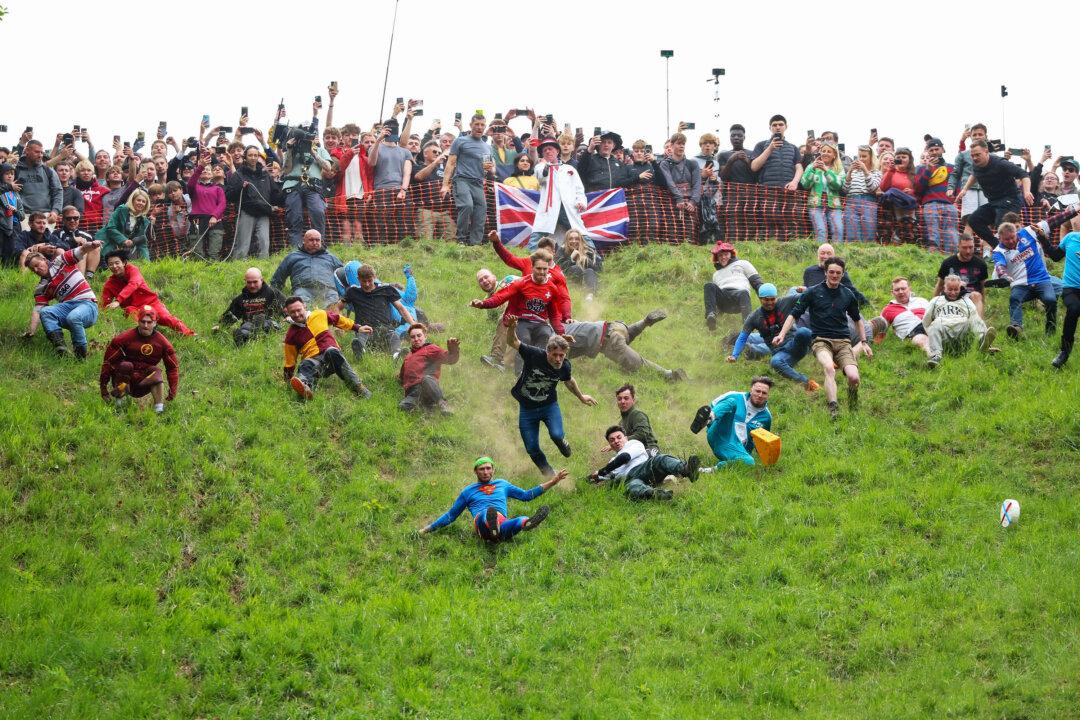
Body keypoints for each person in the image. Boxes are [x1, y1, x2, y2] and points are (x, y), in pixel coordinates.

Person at [774, 256, 870, 420]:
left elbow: (857, 320)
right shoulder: (812, 292)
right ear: (825, 272)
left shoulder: (848, 295)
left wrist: (864, 342)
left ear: (842, 274)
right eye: (831, 272)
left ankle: (853, 404)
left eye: (838, 273)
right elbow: (793, 315)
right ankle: (833, 408)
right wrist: (782, 334)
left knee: (854, 377)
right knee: (829, 368)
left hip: (843, 342)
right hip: (820, 340)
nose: (834, 275)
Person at [505, 317, 597, 476]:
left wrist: (581, 397)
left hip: (549, 407)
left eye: (562, 355)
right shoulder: (533, 354)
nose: (558, 359)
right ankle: (549, 473)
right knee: (531, 448)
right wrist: (512, 327)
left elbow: (568, 381)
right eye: (555, 355)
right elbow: (513, 342)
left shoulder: (565, 366)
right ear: (547, 351)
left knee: (556, 435)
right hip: (527, 409)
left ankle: (562, 442)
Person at [418, 457, 561, 542]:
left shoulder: (502, 484)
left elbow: (525, 495)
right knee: (486, 514)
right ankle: (492, 526)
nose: (485, 472)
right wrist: (427, 529)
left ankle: (527, 523)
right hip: (481, 526)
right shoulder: (468, 491)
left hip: (502, 525)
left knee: (520, 519)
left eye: (488, 468)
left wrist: (552, 482)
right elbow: (451, 515)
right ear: (475, 471)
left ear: (493, 470)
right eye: (481, 469)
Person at [728, 283, 819, 391]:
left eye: (772, 299)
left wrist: (805, 289)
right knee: (775, 362)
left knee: (804, 332)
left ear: (776, 297)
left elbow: (810, 294)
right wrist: (735, 355)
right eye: (766, 300)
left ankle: (820, 354)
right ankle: (807, 383)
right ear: (760, 298)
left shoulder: (785, 301)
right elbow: (743, 337)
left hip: (795, 344)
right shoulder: (754, 317)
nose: (770, 303)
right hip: (780, 352)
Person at [471, 248, 566, 350]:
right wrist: (482, 304)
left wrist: (562, 334)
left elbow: (554, 315)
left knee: (545, 337)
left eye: (545, 269)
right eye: (538, 269)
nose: (542, 272)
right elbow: (499, 297)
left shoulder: (552, 288)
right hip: (522, 320)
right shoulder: (521, 283)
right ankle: (517, 364)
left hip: (540, 323)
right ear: (532, 267)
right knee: (524, 339)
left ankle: (537, 365)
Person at [282, 295, 372, 400]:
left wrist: (357, 327)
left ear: (304, 306)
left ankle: (358, 388)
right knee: (306, 364)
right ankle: (305, 389)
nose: (297, 314)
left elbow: (338, 320)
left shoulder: (319, 314)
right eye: (292, 312)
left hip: (332, 356)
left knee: (331, 351)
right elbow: (290, 361)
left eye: (299, 310)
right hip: (315, 363)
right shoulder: (291, 335)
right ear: (287, 312)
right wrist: (287, 381)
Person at [22, 241, 102, 358]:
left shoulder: (61, 261)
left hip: (87, 305)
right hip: (68, 308)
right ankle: (61, 348)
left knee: (73, 317)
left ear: (44, 259)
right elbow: (38, 310)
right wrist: (31, 331)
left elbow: (81, 250)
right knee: (46, 312)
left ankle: (80, 356)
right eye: (33, 269)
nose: (36, 269)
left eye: (37, 264)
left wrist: (92, 245)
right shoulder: (42, 287)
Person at [562, 310, 685, 381]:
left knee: (640, 364)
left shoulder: (552, 339)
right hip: (614, 326)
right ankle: (643, 323)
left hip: (609, 341)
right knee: (622, 338)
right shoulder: (561, 324)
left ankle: (670, 376)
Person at [99, 305, 180, 414]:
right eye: (143, 322)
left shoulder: (163, 344)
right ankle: (119, 405)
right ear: (138, 321)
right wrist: (103, 389)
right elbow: (108, 363)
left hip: (144, 382)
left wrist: (172, 391)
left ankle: (159, 410)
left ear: (155, 323)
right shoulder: (124, 338)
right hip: (125, 381)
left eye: (149, 322)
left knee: (156, 371)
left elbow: (172, 368)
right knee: (126, 366)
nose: (146, 326)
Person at [587, 426, 700, 501]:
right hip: (628, 480)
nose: (616, 441)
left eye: (619, 437)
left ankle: (686, 469)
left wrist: (602, 471)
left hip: (645, 468)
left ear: (625, 438)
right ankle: (656, 494)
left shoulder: (633, 444)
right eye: (612, 440)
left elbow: (624, 457)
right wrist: (590, 478)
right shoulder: (612, 461)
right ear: (609, 444)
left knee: (661, 459)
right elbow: (603, 478)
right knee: (632, 488)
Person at [958, 140, 1032, 251]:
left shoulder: (1000, 163)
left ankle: (1022, 249)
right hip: (994, 202)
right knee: (974, 220)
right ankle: (999, 247)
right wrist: (964, 189)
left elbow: (1024, 175)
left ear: (986, 151)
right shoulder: (976, 164)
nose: (975, 158)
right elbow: (974, 174)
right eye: (972, 156)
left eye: (978, 155)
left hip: (1010, 200)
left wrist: (1027, 192)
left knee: (1001, 224)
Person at [100, 250, 195, 335]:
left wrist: (118, 301)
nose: (114, 266)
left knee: (166, 318)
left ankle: (189, 334)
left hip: (151, 303)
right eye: (111, 264)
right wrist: (104, 319)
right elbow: (104, 304)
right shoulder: (109, 284)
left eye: (117, 263)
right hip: (135, 308)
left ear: (124, 262)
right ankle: (142, 335)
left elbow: (133, 284)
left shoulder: (133, 270)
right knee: (129, 311)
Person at [689, 376, 774, 468]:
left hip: (735, 447)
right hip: (720, 433)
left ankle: (707, 470)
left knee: (750, 462)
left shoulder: (766, 417)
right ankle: (706, 421)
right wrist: (710, 421)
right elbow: (714, 406)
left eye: (764, 393)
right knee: (732, 403)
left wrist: (768, 460)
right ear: (751, 389)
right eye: (758, 391)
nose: (760, 395)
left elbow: (762, 442)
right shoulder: (735, 395)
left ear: (767, 395)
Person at [993, 220, 1058, 338]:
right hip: (1020, 284)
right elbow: (999, 265)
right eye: (1007, 239)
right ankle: (1016, 328)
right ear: (1000, 239)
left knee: (1051, 300)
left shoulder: (1028, 232)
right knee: (1014, 299)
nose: (1011, 241)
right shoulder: (998, 251)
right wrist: (1003, 275)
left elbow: (1053, 221)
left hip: (1041, 279)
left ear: (1016, 233)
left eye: (1013, 237)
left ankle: (1051, 330)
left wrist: (1074, 210)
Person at [922, 274, 998, 368]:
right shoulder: (936, 301)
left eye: (956, 289)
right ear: (944, 288)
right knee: (934, 325)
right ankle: (936, 356)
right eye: (950, 289)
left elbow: (977, 320)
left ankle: (983, 342)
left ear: (960, 289)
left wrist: (981, 329)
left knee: (974, 319)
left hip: (962, 332)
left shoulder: (966, 301)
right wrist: (932, 336)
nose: (953, 292)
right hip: (944, 333)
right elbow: (926, 321)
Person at [342, 264, 415, 358]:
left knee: (393, 335)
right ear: (358, 278)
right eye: (364, 281)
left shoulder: (386, 289)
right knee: (362, 334)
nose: (367, 284)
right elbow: (338, 307)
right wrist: (338, 325)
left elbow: (400, 308)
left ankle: (396, 355)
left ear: (375, 277)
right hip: (364, 329)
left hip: (385, 329)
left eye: (370, 280)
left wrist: (413, 324)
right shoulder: (352, 291)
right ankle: (361, 351)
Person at [442, 113, 493, 246]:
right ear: (471, 125)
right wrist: (445, 185)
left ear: (485, 127)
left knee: (481, 211)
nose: (479, 127)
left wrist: (489, 168)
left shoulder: (487, 147)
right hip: (462, 179)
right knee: (467, 205)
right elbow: (450, 163)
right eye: (476, 124)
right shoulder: (460, 141)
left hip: (478, 182)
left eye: (482, 125)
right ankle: (461, 240)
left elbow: (491, 169)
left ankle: (475, 244)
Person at [530, 137, 589, 249]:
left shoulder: (569, 169)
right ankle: (528, 262)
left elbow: (579, 190)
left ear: (557, 151)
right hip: (549, 210)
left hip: (568, 208)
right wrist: (546, 165)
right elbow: (541, 177)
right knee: (536, 239)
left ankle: (594, 257)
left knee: (581, 235)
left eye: (550, 149)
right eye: (545, 150)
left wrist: (581, 202)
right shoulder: (540, 167)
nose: (548, 151)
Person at [1036, 216, 1080, 367]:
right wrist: (1043, 238)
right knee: (1074, 309)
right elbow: (1055, 256)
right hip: (1071, 288)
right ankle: (1064, 353)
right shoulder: (1071, 238)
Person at [224, 145, 277, 260]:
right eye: (250, 155)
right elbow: (228, 195)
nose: (253, 158)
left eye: (255, 155)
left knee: (264, 242)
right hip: (247, 211)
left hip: (264, 212)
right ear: (245, 157)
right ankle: (238, 265)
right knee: (243, 242)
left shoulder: (265, 174)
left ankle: (263, 267)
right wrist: (240, 187)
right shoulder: (238, 174)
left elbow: (274, 193)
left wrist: (281, 202)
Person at [270, 230, 343, 310]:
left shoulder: (331, 257)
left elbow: (342, 277)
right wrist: (273, 296)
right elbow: (278, 278)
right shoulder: (293, 257)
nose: (315, 243)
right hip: (303, 290)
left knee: (332, 313)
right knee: (302, 311)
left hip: (328, 290)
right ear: (304, 241)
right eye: (311, 240)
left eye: (317, 240)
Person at [216, 267, 286, 346]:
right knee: (245, 328)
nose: (252, 285)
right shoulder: (241, 299)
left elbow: (288, 308)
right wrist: (220, 326)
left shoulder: (273, 293)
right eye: (249, 282)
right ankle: (241, 339)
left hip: (270, 325)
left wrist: (289, 317)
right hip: (248, 326)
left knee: (267, 324)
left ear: (262, 280)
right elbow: (231, 315)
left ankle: (254, 333)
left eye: (255, 282)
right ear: (245, 281)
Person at [398, 323, 459, 413]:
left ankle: (443, 404)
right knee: (402, 407)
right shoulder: (408, 356)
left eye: (419, 335)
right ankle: (427, 410)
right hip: (413, 393)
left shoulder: (431, 348)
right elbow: (401, 377)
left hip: (427, 386)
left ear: (425, 336)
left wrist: (453, 350)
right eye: (413, 337)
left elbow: (450, 359)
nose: (416, 339)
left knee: (426, 379)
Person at [703, 241, 764, 329]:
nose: (723, 257)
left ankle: (748, 325)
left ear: (731, 254)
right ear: (716, 258)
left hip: (740, 296)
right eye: (720, 255)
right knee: (709, 285)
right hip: (724, 299)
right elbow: (714, 297)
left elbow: (756, 282)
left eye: (726, 254)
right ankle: (711, 316)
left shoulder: (743, 263)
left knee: (743, 292)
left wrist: (765, 296)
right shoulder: (716, 274)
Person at [915, 138, 959, 253]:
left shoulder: (952, 167)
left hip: (949, 204)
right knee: (932, 234)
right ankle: (933, 261)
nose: (934, 152)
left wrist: (955, 200)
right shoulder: (921, 168)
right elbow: (919, 189)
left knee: (952, 235)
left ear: (943, 149)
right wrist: (928, 170)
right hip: (930, 204)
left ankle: (952, 259)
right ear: (927, 152)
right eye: (931, 150)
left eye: (936, 149)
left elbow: (957, 186)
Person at [475, 267, 520, 371]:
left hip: (526, 310)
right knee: (506, 321)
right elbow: (492, 323)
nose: (484, 281)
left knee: (506, 318)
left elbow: (528, 285)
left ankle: (497, 359)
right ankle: (499, 361)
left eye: (486, 277)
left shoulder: (508, 280)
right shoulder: (487, 301)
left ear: (494, 277)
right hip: (511, 321)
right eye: (481, 280)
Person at [934, 232, 989, 317]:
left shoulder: (981, 264)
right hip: (952, 295)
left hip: (971, 297)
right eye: (964, 248)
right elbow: (939, 285)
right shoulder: (948, 263)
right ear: (958, 247)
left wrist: (982, 304)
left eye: (971, 247)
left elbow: (983, 287)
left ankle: (979, 326)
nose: (968, 251)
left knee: (977, 295)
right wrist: (933, 303)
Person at [800, 141, 844, 243]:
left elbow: (837, 185)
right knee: (821, 231)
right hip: (815, 203)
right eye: (823, 151)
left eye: (829, 151)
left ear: (834, 155)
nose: (825, 153)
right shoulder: (812, 166)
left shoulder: (839, 169)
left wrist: (826, 170)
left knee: (838, 230)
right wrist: (812, 169)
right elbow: (805, 184)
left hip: (834, 204)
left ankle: (838, 256)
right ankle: (822, 255)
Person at [878, 277, 932, 359]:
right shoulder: (888, 309)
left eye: (903, 288)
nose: (900, 292)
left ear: (909, 289)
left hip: (930, 324)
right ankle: (933, 356)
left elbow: (935, 315)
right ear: (892, 293)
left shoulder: (922, 301)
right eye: (897, 290)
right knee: (920, 340)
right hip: (913, 330)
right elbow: (878, 328)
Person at [799, 243, 869, 305]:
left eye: (829, 254)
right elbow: (806, 288)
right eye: (822, 253)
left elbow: (852, 292)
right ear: (818, 256)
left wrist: (865, 302)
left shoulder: (838, 272)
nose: (825, 256)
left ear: (833, 256)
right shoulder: (809, 271)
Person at [948, 123, 989, 225]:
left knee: (987, 220)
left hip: (987, 189)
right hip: (968, 189)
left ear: (986, 136)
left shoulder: (991, 155)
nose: (977, 137)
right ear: (970, 136)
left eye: (980, 134)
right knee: (970, 220)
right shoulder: (963, 155)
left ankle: (985, 241)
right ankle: (968, 241)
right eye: (974, 134)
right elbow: (955, 173)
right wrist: (950, 187)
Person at [15, 140, 63, 225]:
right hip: (24, 216)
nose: (40, 155)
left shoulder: (48, 170)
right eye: (37, 152)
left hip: (46, 216)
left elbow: (58, 191)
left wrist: (55, 211)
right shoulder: (16, 169)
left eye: (41, 152)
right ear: (27, 151)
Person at [750, 115, 802, 191]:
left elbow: (799, 167)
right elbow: (754, 167)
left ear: (786, 126)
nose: (778, 127)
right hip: (767, 191)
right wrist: (770, 149)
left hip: (789, 189)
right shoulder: (761, 145)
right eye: (774, 125)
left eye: (781, 124)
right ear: (770, 128)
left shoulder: (793, 147)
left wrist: (795, 182)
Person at [96, 189, 151, 260]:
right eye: (138, 200)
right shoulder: (122, 209)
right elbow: (110, 227)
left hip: (119, 249)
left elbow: (142, 244)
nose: (141, 203)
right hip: (106, 242)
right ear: (132, 200)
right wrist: (124, 240)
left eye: (143, 202)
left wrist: (147, 263)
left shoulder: (144, 220)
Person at [843, 145, 881, 242]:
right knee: (852, 234)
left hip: (868, 201)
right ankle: (854, 254)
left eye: (864, 156)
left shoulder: (877, 172)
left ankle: (868, 254)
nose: (861, 159)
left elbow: (872, 187)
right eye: (859, 156)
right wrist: (850, 172)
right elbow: (845, 189)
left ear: (870, 158)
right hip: (851, 201)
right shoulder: (852, 172)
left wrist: (865, 171)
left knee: (869, 234)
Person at [608, 384, 658, 451]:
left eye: (626, 398)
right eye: (619, 399)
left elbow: (642, 434)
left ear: (633, 400)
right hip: (635, 455)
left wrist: (622, 440)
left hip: (650, 452)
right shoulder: (621, 423)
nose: (622, 401)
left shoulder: (637, 415)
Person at [555, 229, 602, 299]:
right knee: (576, 268)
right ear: (566, 240)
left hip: (588, 278)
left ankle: (590, 295)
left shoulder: (589, 250)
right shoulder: (561, 250)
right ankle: (577, 291)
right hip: (569, 281)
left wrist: (586, 260)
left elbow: (599, 269)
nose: (574, 241)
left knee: (589, 270)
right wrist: (571, 258)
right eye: (570, 239)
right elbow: (558, 268)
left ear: (581, 240)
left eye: (577, 239)